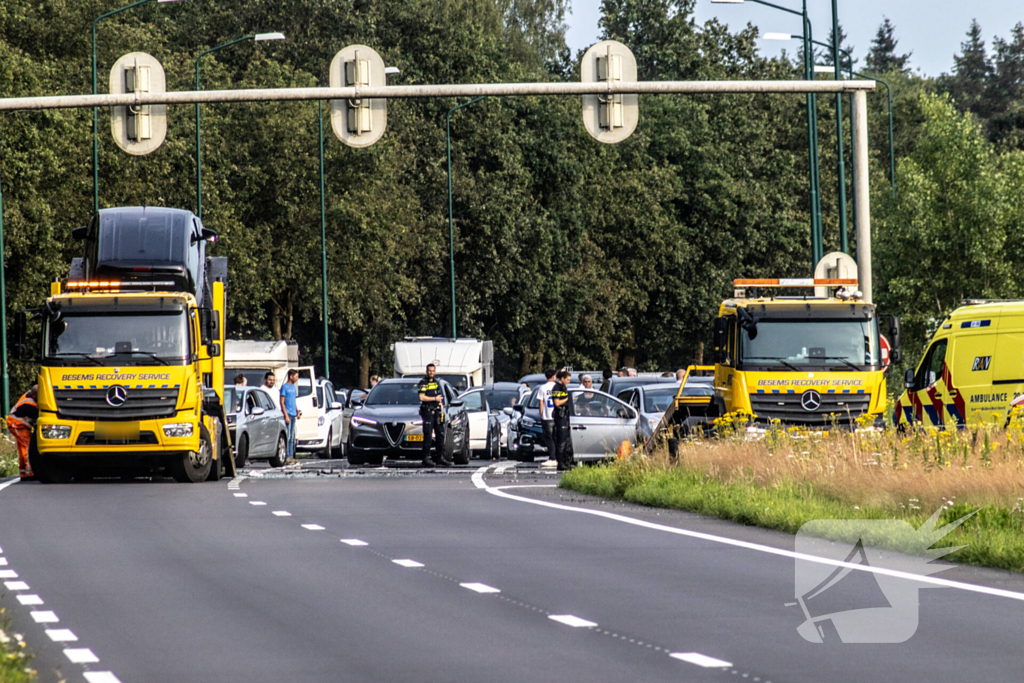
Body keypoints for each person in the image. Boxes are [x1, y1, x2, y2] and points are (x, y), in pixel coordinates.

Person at [418, 364, 452, 467]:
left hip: (437, 411)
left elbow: (438, 395)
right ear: (426, 371)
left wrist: (440, 404)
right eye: (429, 371)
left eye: (433, 371)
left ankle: (440, 457)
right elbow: (422, 397)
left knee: (440, 434)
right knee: (428, 434)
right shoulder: (423, 383)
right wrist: (434, 399)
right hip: (428, 411)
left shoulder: (437, 383)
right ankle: (426, 458)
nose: (431, 373)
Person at [8, 385, 38, 480]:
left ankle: (23, 473)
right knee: (27, 446)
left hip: (15, 423)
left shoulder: (28, 395)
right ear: (35, 395)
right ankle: (30, 472)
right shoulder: (31, 405)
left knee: (22, 447)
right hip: (18, 425)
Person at [551, 370, 574, 471]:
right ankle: (560, 463)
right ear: (562, 378)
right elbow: (557, 402)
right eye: (567, 380)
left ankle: (566, 461)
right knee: (561, 441)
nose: (569, 381)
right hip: (560, 417)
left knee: (566, 441)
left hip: (565, 416)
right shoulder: (556, 388)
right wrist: (569, 398)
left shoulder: (563, 387)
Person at [280, 370, 301, 460]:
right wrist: (286, 415)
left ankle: (291, 456)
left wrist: (297, 411)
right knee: (288, 436)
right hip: (288, 414)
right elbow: (282, 402)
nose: (297, 379)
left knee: (292, 437)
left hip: (293, 414)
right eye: (296, 377)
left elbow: (294, 400)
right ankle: (287, 455)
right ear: (291, 377)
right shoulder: (284, 387)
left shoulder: (293, 386)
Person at [536, 368, 556, 460]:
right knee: (557, 437)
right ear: (553, 376)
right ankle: (557, 455)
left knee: (549, 437)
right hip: (556, 415)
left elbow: (541, 402)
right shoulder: (557, 387)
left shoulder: (542, 388)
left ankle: (552, 455)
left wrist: (541, 414)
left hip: (546, 416)